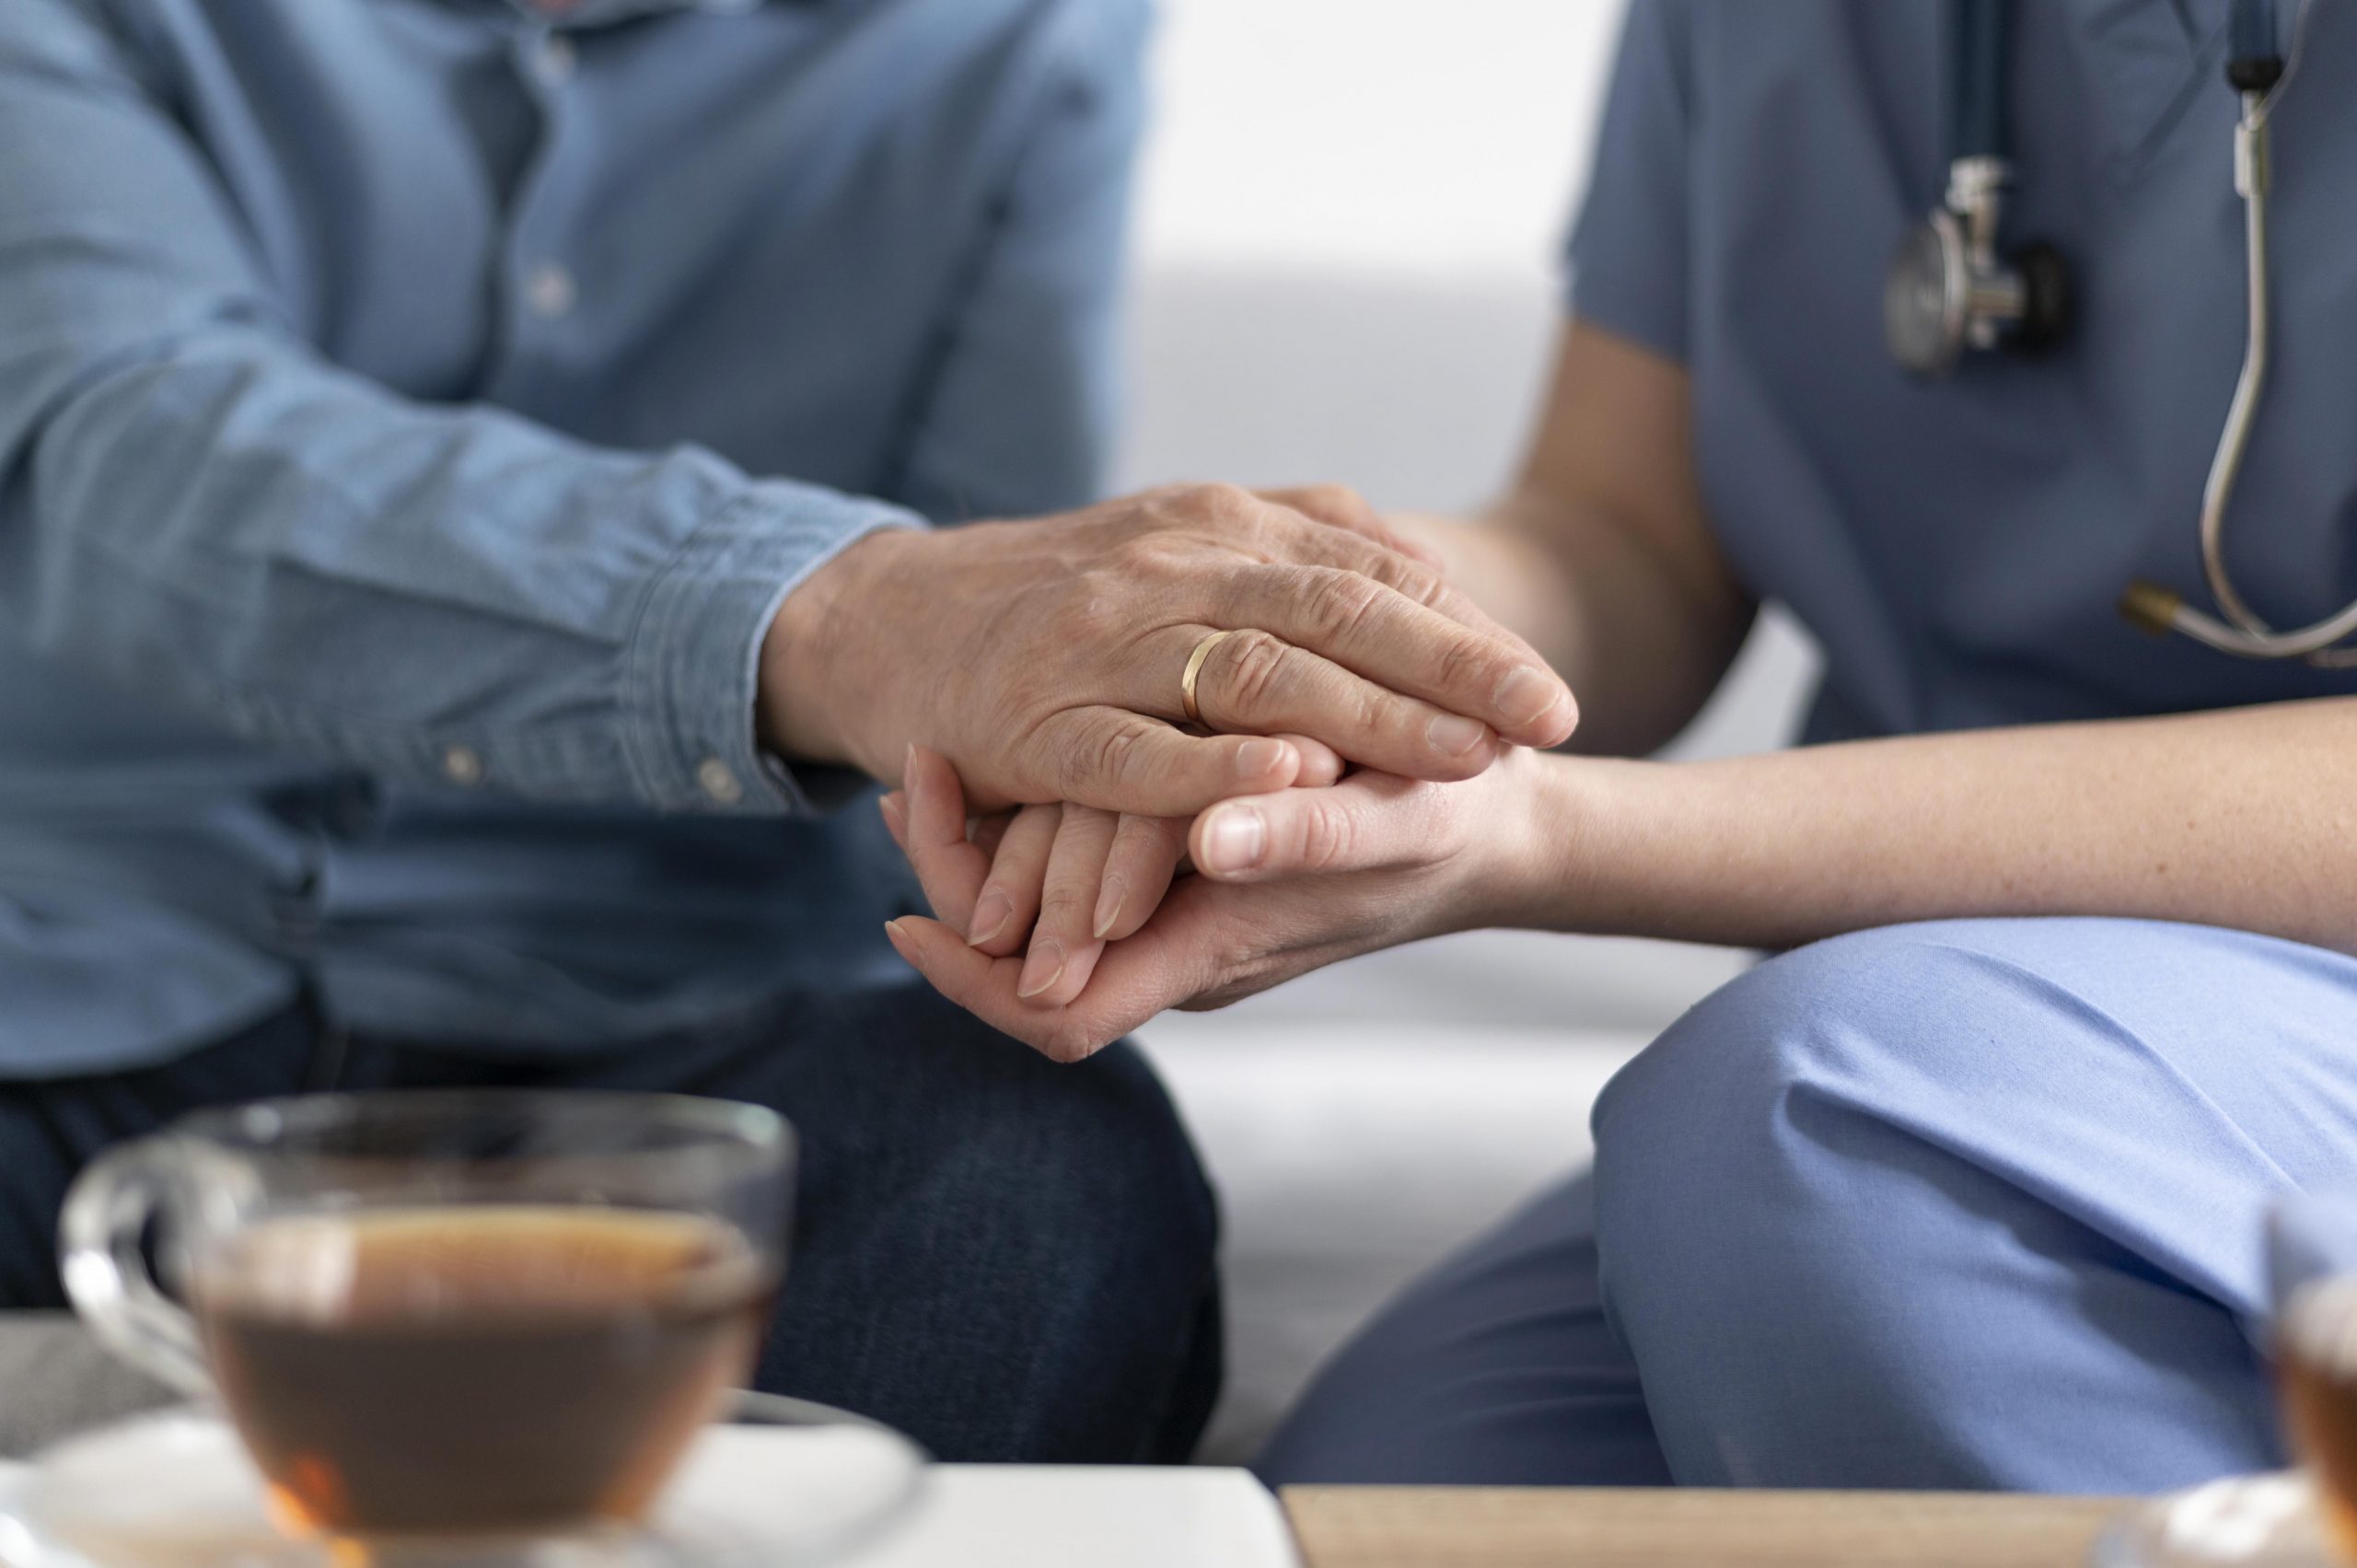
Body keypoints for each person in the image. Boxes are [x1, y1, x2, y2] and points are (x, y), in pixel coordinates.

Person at [0, 0, 1578, 1462]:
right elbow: (117, 448)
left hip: (694, 1024)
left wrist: (1154, 769)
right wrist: (852, 616)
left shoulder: (1018, 37)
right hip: (79, 980)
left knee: (1031, 1186)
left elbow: (1013, 614)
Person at [880, 0, 2357, 1492]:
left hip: (2021, 1046)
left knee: (1810, 1117)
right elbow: (1628, 543)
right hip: (1959, 1043)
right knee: (1399, 1492)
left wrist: (1549, 836)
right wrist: (1273, 672)